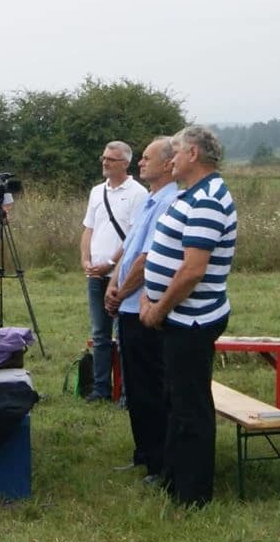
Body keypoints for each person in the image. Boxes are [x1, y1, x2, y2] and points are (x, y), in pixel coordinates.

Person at [140, 125, 237, 507]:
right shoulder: (189, 195)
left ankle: (193, 494)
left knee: (191, 406)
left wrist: (159, 308)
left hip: (192, 319)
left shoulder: (209, 199)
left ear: (193, 154)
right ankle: (174, 477)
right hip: (176, 316)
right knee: (174, 400)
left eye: (176, 153)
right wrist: (150, 299)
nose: (171, 159)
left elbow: (193, 270)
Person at [105, 136, 181, 480]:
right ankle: (145, 452)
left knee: (149, 387)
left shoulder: (169, 202)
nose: (140, 163)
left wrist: (121, 292)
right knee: (135, 386)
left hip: (143, 307)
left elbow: (148, 258)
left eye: (147, 158)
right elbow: (129, 248)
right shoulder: (151, 200)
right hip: (128, 303)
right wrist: (112, 284)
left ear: (169, 164)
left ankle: (160, 461)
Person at [79, 141, 147, 402]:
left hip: (121, 274)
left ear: (125, 163)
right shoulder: (97, 192)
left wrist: (110, 263)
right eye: (104, 157)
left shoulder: (138, 193)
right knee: (99, 334)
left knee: (125, 335)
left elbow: (132, 238)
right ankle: (100, 389)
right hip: (95, 274)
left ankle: (129, 394)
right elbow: (89, 228)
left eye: (112, 159)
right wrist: (86, 259)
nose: (105, 162)